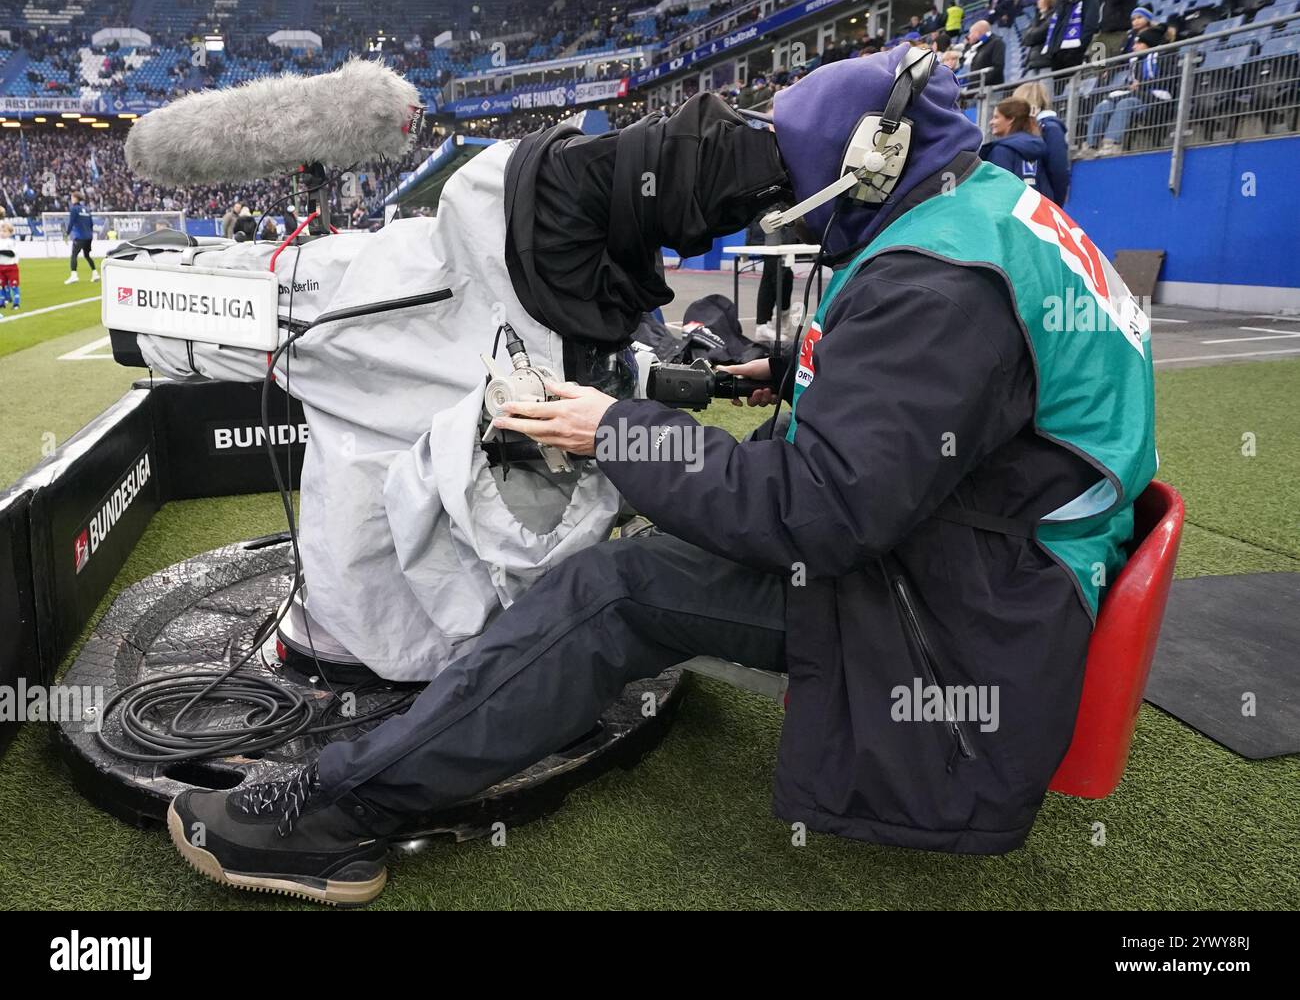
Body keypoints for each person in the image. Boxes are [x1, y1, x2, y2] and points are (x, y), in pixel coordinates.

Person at [166, 48, 1156, 905]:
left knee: (619, 588)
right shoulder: (986, 213)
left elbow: (821, 512)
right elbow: (954, 408)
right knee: (661, 554)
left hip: (960, 627)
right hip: (991, 567)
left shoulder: (938, 286)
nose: (780, 203)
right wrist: (787, 370)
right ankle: (505, 698)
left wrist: (619, 429)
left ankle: (333, 817)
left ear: (870, 165)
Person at [1083, 28, 1175, 155]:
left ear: (1149, 44)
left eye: (1138, 43)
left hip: (1157, 98)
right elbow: (1131, 83)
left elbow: (1169, 80)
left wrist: (1142, 84)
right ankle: (1090, 146)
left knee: (1125, 103)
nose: (1133, 47)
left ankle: (1112, 144)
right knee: (1104, 105)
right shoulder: (1135, 61)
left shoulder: (1165, 56)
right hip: (1139, 95)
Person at [981, 97, 1052, 199]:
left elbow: (998, 191)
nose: (991, 122)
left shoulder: (1002, 150)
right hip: (1038, 210)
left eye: (996, 117)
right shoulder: (1039, 146)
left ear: (1010, 119)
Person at [1014, 80, 1071, 203]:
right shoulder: (1027, 129)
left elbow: (1058, 170)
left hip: (1043, 203)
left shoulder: (1050, 129)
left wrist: (1056, 205)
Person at [1042, 0, 1100, 73]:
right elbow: (1057, 28)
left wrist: (1076, 50)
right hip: (1058, 56)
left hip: (1075, 55)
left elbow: (1090, 26)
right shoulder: (1062, 1)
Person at [1022, 0, 1060, 77]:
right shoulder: (1038, 17)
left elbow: (1039, 34)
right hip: (1033, 63)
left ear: (1049, 0)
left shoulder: (1054, 17)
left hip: (1046, 62)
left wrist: (1032, 33)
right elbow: (1025, 38)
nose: (1038, 1)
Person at [64, 191, 97, 285]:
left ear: (75, 198)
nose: (71, 199)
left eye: (72, 197)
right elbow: (91, 224)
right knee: (87, 255)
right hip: (89, 237)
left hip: (79, 236)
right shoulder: (86, 209)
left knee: (74, 255)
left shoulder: (74, 209)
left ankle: (74, 276)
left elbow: (71, 222)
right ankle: (95, 274)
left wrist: (67, 233)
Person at [964, 19, 1007, 87]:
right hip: (976, 88)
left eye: (971, 33)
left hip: (990, 88)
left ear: (978, 32)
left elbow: (998, 66)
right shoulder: (977, 45)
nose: (969, 36)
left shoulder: (996, 42)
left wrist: (980, 82)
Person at [0, 221, 20, 316]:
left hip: (11, 267)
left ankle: (16, 303)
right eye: (1, 231)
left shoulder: (12, 242)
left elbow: (11, 254)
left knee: (14, 285)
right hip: (1, 266)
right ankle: (2, 302)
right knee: (1, 285)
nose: (2, 233)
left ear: (10, 233)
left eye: (5, 231)